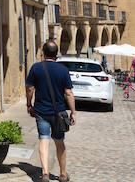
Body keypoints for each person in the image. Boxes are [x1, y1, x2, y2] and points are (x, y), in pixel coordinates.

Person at [26, 40, 75, 182]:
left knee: (44, 140)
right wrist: (73, 112)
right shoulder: (63, 70)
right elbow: (69, 93)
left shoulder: (36, 68)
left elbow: (30, 89)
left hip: (41, 111)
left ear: (44, 53)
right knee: (59, 142)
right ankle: (63, 174)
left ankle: (45, 173)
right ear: (56, 54)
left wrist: (29, 104)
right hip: (59, 112)